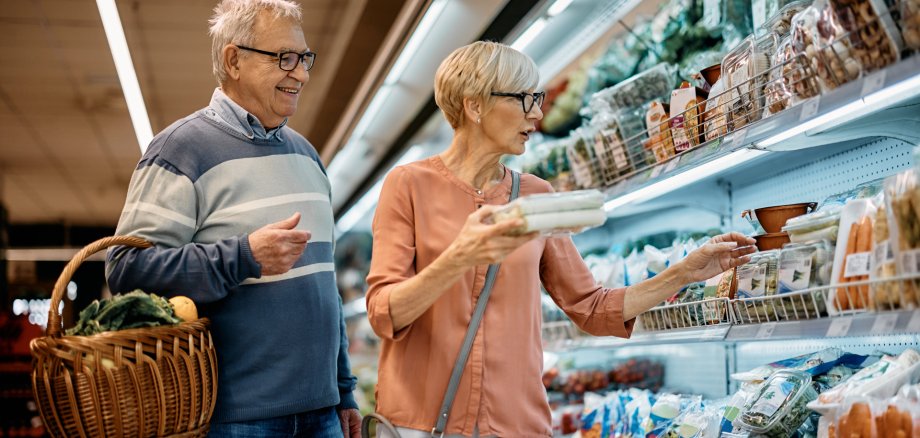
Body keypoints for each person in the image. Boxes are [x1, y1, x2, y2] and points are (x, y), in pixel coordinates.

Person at [364, 41, 757, 437]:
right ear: (474, 105)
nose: (537, 112)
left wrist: (684, 273)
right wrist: (459, 257)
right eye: (524, 98)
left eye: (538, 98)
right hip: (419, 423)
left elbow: (592, 308)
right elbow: (384, 313)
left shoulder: (534, 195)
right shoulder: (409, 185)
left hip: (514, 425)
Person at [105, 0, 361, 436]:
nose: (300, 73)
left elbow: (325, 287)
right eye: (284, 58)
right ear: (234, 60)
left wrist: (344, 389)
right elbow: (127, 270)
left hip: (324, 415)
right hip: (235, 418)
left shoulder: (308, 156)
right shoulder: (180, 151)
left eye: (304, 59)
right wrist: (242, 257)